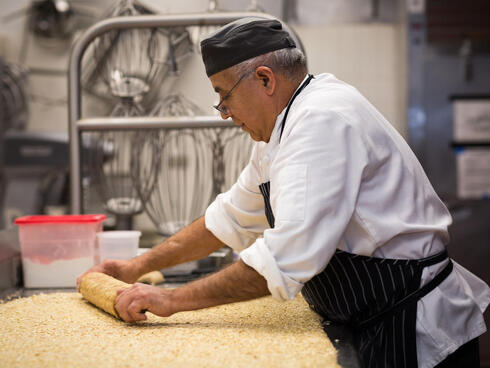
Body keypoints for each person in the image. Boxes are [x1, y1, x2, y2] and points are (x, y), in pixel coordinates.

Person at [78, 17, 490, 368]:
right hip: (367, 317)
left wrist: (171, 300)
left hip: (413, 330)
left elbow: (287, 257)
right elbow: (229, 218)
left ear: (264, 79)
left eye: (224, 95)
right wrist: (137, 266)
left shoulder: (321, 121)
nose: (224, 113)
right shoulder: (279, 131)